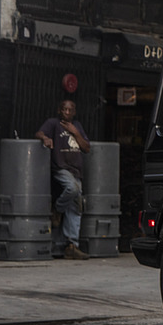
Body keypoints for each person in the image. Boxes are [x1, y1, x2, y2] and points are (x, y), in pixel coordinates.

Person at [36, 100, 91, 260]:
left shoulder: (77, 126)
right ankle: (57, 210)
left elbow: (86, 148)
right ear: (59, 110)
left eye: (70, 110)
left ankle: (71, 245)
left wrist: (75, 132)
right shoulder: (53, 123)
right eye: (64, 109)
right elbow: (38, 133)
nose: (67, 112)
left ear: (74, 112)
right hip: (61, 168)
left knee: (76, 207)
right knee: (72, 189)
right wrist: (45, 138)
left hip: (76, 171)